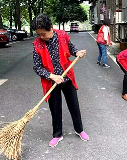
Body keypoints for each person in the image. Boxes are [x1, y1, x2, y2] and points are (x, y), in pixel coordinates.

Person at [31, 13, 89, 147]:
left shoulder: (62, 35)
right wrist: (52, 76)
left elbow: (71, 48)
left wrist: (77, 53)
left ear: (51, 27)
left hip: (67, 77)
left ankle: (79, 129)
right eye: (39, 34)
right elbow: (37, 67)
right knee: (55, 108)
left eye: (43, 34)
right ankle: (57, 134)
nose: (41, 37)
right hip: (51, 81)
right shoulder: (37, 45)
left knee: (74, 105)